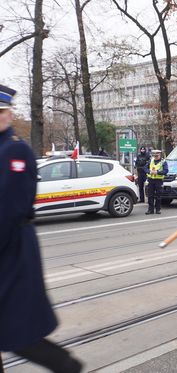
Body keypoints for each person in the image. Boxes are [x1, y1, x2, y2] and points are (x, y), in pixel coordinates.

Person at [0, 84, 83, 372]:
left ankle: (67, 367)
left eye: (1, 112)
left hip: (12, 255)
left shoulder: (15, 152)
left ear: (9, 114)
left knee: (19, 334)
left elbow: (7, 210)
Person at [144, 149, 168, 215]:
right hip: (151, 180)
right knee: (150, 195)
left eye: (157, 155)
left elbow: (166, 171)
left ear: (160, 155)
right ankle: (150, 210)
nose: (156, 157)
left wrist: (157, 172)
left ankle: (158, 209)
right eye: (154, 155)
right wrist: (149, 171)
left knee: (158, 196)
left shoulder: (163, 162)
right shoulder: (150, 160)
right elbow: (145, 168)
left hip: (158, 180)